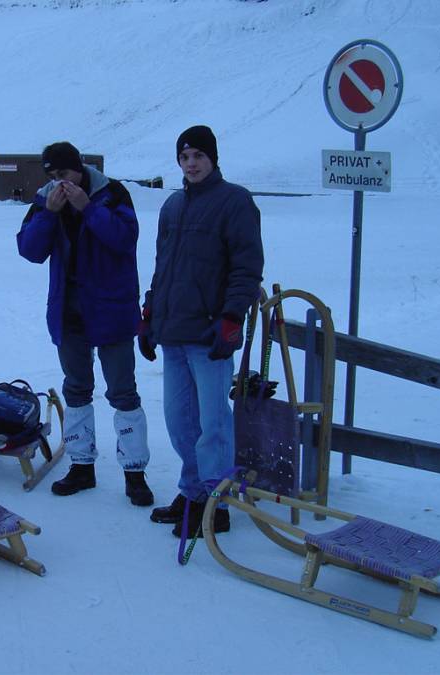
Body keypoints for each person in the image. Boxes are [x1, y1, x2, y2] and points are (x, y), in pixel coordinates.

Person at [140, 125, 264, 537]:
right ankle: (192, 493)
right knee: (180, 422)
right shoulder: (172, 207)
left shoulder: (235, 202)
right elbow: (163, 267)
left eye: (198, 156)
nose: (191, 164)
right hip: (174, 331)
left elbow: (246, 268)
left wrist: (232, 317)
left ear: (213, 159)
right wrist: (150, 314)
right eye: (185, 157)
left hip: (211, 334)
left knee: (213, 424)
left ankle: (216, 503)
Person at [17, 141, 153, 506]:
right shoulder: (47, 197)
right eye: (52, 176)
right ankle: (81, 466)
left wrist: (88, 209)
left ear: (79, 169)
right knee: (76, 390)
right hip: (68, 310)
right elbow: (29, 250)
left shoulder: (112, 193)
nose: (58, 182)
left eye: (63, 174)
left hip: (111, 309)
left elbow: (125, 239)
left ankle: (135, 472)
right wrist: (48, 213)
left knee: (123, 392)